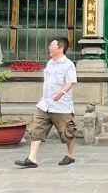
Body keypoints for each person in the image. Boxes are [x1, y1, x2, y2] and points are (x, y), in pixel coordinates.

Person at [15, 37, 78, 168]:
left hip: (61, 106)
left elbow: (71, 81)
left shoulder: (68, 64)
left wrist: (61, 92)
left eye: (52, 46)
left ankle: (70, 156)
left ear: (60, 48)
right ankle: (32, 158)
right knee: (37, 129)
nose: (49, 48)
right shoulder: (50, 63)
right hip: (45, 104)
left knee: (68, 132)